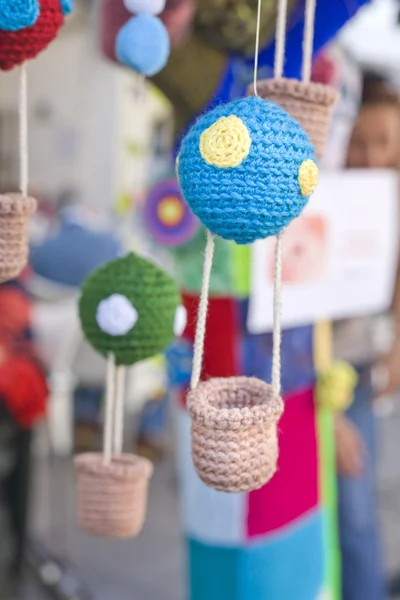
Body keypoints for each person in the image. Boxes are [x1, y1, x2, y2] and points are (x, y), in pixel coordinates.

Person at [334, 71, 400, 600]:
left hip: (352, 364)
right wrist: (322, 413)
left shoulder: (390, 193)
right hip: (300, 371)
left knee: (356, 506)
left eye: (385, 144)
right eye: (360, 141)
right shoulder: (319, 192)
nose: (372, 156)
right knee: (342, 508)